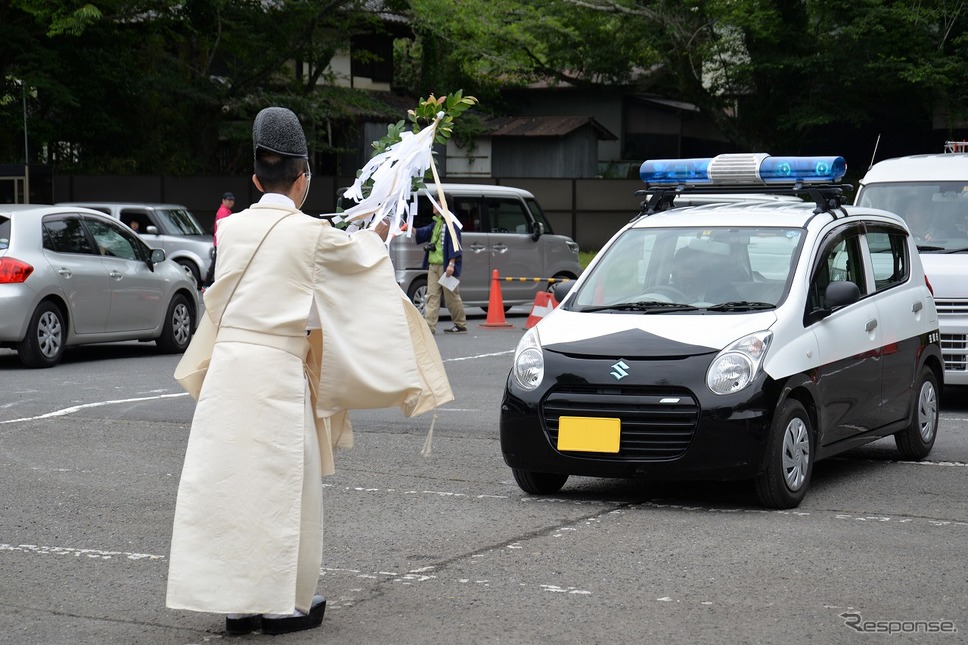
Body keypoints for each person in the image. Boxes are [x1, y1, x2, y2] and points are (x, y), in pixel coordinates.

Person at [166, 106, 453, 636]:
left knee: (228, 483)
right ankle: (279, 606)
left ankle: (236, 604)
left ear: (256, 179)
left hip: (229, 370)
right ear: (303, 178)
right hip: (276, 370)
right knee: (281, 486)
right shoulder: (311, 235)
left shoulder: (230, 231)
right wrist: (380, 227)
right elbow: (362, 266)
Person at [414, 198, 467, 333]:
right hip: (434, 265)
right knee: (431, 296)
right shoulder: (436, 223)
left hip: (447, 267)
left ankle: (460, 324)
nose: (433, 206)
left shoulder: (451, 223)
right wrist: (411, 229)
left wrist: (451, 264)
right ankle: (429, 327)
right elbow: (424, 232)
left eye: (436, 203)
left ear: (444, 205)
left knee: (451, 297)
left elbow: (454, 245)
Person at [206, 192, 235, 284]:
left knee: (218, 263)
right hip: (221, 242)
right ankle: (206, 284)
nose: (231, 202)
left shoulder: (226, 210)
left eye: (232, 200)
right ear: (223, 200)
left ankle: (209, 283)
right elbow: (223, 227)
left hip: (220, 241)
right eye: (228, 200)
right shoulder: (223, 211)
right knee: (217, 263)